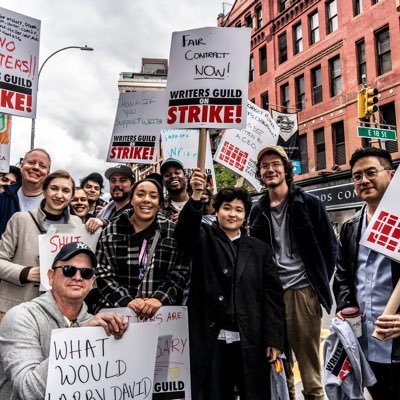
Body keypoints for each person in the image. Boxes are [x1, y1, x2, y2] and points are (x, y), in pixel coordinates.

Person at [174, 168, 284, 400]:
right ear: (216, 211)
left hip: (250, 342)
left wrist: (274, 338)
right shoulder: (202, 236)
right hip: (210, 342)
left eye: (238, 209)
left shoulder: (260, 250)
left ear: (245, 215)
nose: (232, 214)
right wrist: (195, 196)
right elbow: (183, 233)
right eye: (226, 208)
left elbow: (272, 296)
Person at [249, 145, 337, 400]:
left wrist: (314, 283)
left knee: (309, 373)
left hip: (302, 293)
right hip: (271, 297)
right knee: (279, 369)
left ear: (286, 169)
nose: (270, 169)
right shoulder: (257, 210)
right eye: (264, 166)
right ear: (260, 173)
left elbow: (329, 248)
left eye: (275, 164)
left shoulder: (309, 203)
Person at [0, 241, 128, 400]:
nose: (78, 277)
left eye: (86, 273)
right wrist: (79, 337)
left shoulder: (98, 326)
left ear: (92, 282)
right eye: (69, 270)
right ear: (51, 276)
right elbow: (28, 391)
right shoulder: (21, 317)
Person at [333, 147, 399, 399]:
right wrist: (345, 305)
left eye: (371, 172)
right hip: (366, 346)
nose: (364, 180)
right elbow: (342, 276)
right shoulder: (350, 227)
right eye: (357, 176)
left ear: (391, 175)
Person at [95, 178, 189, 317]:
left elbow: (181, 271)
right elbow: (102, 273)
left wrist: (159, 298)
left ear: (159, 203)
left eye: (153, 196)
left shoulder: (173, 232)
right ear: (132, 200)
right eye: (140, 194)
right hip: (119, 318)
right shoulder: (111, 231)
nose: (146, 200)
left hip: (162, 318)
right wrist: (126, 301)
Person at [0, 169, 82, 320]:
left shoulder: (76, 224)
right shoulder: (20, 219)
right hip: (17, 308)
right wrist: (25, 272)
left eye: (65, 190)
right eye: (54, 188)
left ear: (71, 196)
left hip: (58, 311)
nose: (59, 195)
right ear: (44, 191)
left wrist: (102, 221)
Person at [0, 148, 51, 236]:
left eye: (42, 166)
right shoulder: (3, 199)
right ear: (21, 166)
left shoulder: (58, 203)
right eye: (31, 162)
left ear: (47, 173)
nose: (36, 167)